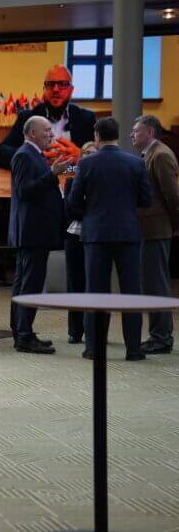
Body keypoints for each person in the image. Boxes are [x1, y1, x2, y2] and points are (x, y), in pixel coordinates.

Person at [68, 117, 153, 361]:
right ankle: (133, 350)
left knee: (95, 293)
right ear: (118, 134)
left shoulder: (86, 164)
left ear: (97, 136)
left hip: (96, 235)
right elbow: (146, 200)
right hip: (128, 233)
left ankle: (94, 348)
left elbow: (74, 202)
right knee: (131, 294)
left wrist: (91, 214)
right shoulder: (136, 163)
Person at [9, 115, 70, 354]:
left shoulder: (35, 155)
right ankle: (24, 336)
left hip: (34, 233)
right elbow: (25, 191)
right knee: (30, 285)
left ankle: (22, 332)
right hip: (32, 233)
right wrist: (52, 174)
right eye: (46, 130)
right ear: (32, 133)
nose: (52, 134)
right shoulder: (24, 155)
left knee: (25, 284)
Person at [131, 115, 179, 354]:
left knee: (156, 285)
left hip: (157, 229)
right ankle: (157, 335)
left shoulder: (160, 155)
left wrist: (175, 224)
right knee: (151, 284)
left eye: (136, 131)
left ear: (149, 133)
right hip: (149, 230)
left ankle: (161, 338)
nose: (132, 135)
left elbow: (172, 195)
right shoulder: (149, 154)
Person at [0, 65, 96, 170]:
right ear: (44, 89)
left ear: (71, 90)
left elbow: (102, 157)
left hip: (72, 177)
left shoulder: (86, 119)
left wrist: (82, 157)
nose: (55, 89)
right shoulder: (26, 118)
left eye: (62, 84)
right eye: (50, 84)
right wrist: (30, 157)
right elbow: (0, 154)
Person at [62, 141, 98, 344]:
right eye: (86, 153)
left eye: (94, 153)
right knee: (75, 283)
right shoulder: (71, 182)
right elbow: (70, 210)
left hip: (96, 237)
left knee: (95, 285)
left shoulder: (103, 183)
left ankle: (95, 331)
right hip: (75, 237)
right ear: (81, 157)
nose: (90, 156)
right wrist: (92, 213)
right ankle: (75, 331)